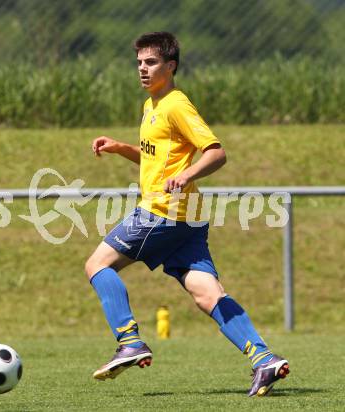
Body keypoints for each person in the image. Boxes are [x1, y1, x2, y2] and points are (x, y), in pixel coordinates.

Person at [85, 32, 289, 397]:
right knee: (206, 293)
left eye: (151, 63)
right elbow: (157, 158)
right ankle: (263, 358)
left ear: (171, 66)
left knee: (97, 265)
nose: (143, 70)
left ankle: (129, 340)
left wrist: (188, 174)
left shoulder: (176, 104)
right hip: (188, 216)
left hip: (164, 211)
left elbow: (215, 152)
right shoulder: (152, 106)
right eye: (139, 63)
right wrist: (121, 148)